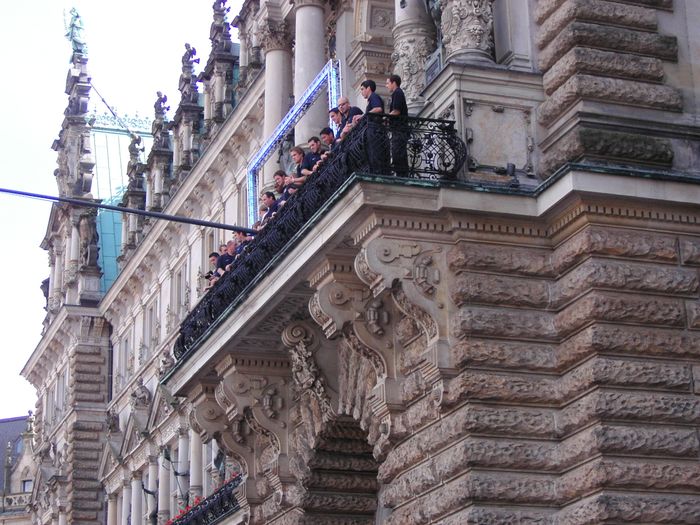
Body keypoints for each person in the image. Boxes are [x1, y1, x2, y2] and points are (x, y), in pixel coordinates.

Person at [386, 74, 409, 176]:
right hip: (399, 129)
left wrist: (385, 118)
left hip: (399, 129)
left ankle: (402, 174)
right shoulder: (397, 93)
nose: (386, 85)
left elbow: (396, 111)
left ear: (393, 83)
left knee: (398, 151)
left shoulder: (397, 93)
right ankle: (401, 172)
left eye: (388, 83)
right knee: (397, 151)